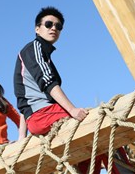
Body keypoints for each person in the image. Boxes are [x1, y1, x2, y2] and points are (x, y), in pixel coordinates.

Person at [13, 7, 88, 136]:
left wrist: (22, 137)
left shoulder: (43, 56)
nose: (54, 28)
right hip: (43, 114)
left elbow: (23, 98)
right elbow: (48, 81)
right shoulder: (34, 48)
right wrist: (72, 110)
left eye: (58, 26)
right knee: (89, 120)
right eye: (48, 24)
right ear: (37, 29)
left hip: (39, 117)